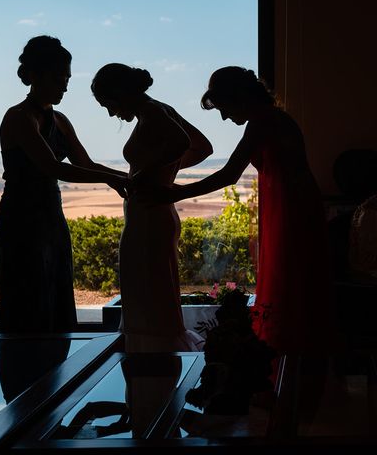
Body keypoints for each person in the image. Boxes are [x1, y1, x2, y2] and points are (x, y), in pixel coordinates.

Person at [142, 66, 337, 356]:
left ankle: (288, 363)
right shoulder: (274, 118)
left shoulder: (263, 121)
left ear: (239, 97)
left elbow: (228, 175)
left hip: (291, 212)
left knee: (289, 284)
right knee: (294, 285)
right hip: (291, 207)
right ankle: (291, 363)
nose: (224, 117)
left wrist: (177, 192)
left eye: (224, 107)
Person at [0, 36, 129, 333]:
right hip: (21, 217)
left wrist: (123, 178)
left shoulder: (61, 120)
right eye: (58, 78)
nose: (65, 85)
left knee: (55, 287)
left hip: (51, 215)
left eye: (67, 78)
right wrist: (112, 179)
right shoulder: (18, 117)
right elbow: (53, 167)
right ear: (35, 75)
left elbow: (85, 164)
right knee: (28, 292)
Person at [91, 63, 213, 353]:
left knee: (147, 298)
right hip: (154, 215)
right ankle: (156, 370)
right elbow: (201, 147)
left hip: (149, 217)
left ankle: (152, 369)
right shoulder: (159, 109)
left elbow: (184, 143)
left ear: (120, 93)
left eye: (109, 104)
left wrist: (146, 175)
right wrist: (163, 172)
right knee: (152, 296)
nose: (111, 113)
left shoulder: (153, 112)